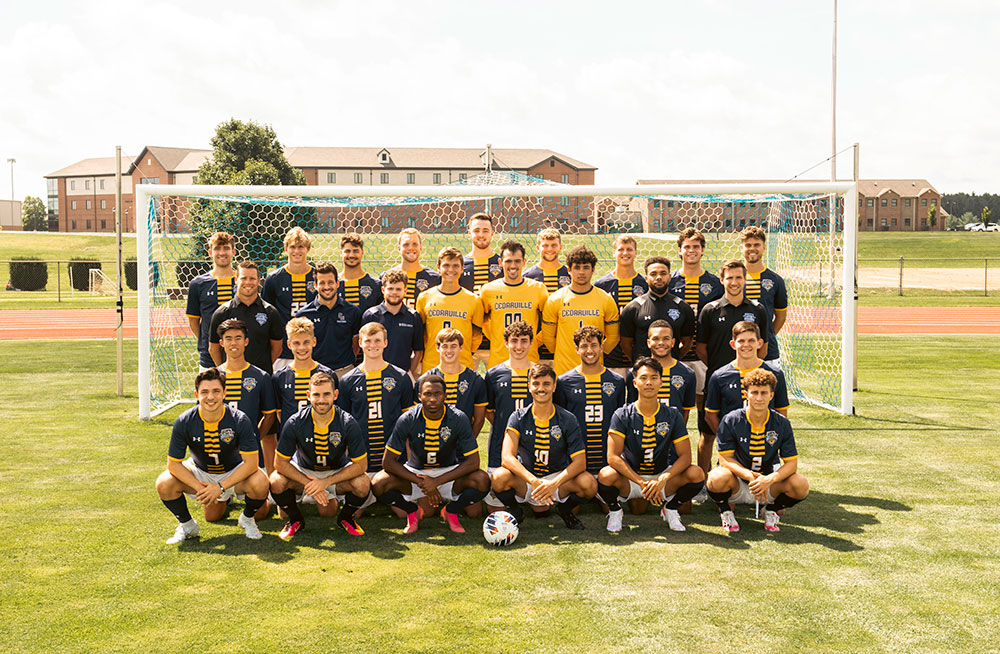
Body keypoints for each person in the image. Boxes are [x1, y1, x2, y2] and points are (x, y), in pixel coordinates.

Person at [155, 368, 270, 543]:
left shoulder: (239, 419)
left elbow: (252, 464)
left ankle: (247, 518)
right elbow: (174, 465)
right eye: (205, 392)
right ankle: (187, 526)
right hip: (202, 471)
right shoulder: (185, 420)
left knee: (261, 482)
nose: (210, 397)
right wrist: (200, 488)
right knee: (165, 483)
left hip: (233, 472)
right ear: (196, 394)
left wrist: (220, 487)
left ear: (224, 393)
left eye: (216, 391)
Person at [597, 357, 705, 532]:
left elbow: (686, 457)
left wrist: (664, 478)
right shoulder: (622, 414)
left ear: (661, 382)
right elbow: (613, 457)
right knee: (605, 475)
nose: (649, 382)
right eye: (644, 378)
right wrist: (640, 482)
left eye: (654, 378)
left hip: (661, 476)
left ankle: (670, 508)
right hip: (632, 479)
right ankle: (615, 511)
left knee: (696, 473)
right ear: (635, 382)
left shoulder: (672, 414)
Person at [373, 375, 489, 534]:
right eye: (427, 394)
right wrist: (422, 481)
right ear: (419, 396)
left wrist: (437, 481)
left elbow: (473, 462)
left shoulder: (458, 418)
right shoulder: (407, 419)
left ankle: (452, 510)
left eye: (437, 394)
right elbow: (388, 462)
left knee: (482, 480)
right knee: (379, 483)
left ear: (445, 395)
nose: (432, 398)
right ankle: (411, 510)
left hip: (448, 473)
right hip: (417, 473)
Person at [491, 363, 597, 529]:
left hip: (556, 479)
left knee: (589, 483)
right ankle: (515, 511)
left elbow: (580, 462)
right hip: (527, 479)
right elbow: (507, 457)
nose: (541, 389)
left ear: (554, 387)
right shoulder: (518, 417)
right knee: (499, 477)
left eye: (546, 384)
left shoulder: (567, 419)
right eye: (536, 383)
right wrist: (533, 481)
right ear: (529, 386)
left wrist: (553, 483)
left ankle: (565, 509)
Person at [269, 372, 370, 540]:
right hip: (304, 470)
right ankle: (295, 520)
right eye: (316, 394)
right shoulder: (296, 422)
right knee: (275, 481)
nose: (321, 400)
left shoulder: (347, 422)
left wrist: (326, 482)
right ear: (308, 396)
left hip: (335, 473)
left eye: (326, 394)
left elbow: (361, 465)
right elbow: (280, 463)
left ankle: (345, 518)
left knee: (363, 483)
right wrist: (309, 483)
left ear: (335, 395)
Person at [707, 368, 809, 533]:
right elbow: (725, 459)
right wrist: (749, 476)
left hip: (767, 481)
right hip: (738, 482)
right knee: (715, 477)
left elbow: (791, 464)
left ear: (771, 396)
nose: (759, 398)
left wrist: (769, 480)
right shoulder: (731, 419)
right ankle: (726, 511)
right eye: (754, 392)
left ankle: (771, 510)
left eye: (764, 393)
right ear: (746, 394)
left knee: (801, 484)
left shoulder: (781, 423)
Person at [696, 260, 770, 481]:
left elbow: (763, 346)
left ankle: (755, 477)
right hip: (718, 380)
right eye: (730, 278)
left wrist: (749, 367)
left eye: (739, 277)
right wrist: (723, 370)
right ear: (722, 280)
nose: (734, 282)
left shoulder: (757, 309)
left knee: (752, 428)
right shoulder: (710, 310)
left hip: (751, 380)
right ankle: (702, 481)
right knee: (708, 433)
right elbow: (701, 348)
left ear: (745, 279)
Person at [668, 228, 724, 462]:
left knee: (705, 421)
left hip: (703, 357)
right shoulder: (669, 281)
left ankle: (703, 475)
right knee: (676, 417)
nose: (691, 251)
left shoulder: (713, 283)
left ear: (702, 250)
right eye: (687, 246)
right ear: (680, 250)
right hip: (674, 359)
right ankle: (674, 467)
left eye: (696, 246)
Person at [337, 322, 416, 481]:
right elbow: (343, 425)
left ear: (385, 343)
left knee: (394, 499)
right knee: (360, 496)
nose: (373, 345)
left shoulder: (400, 377)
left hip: (394, 460)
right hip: (360, 459)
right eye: (367, 341)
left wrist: (411, 464)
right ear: (360, 343)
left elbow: (409, 425)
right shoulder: (347, 381)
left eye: (377, 340)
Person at [554, 326, 626, 478]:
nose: (589, 351)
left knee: (607, 490)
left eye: (593, 345)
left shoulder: (617, 381)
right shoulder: (564, 381)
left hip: (607, 457)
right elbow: (560, 420)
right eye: (584, 346)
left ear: (601, 347)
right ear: (577, 349)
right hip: (575, 455)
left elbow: (620, 421)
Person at [216, 319, 277, 488]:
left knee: (261, 508)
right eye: (228, 338)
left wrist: (255, 436)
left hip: (252, 451)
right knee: (213, 514)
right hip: (220, 450)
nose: (233, 343)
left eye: (238, 338)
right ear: (221, 343)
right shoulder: (213, 376)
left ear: (246, 341)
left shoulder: (261, 376)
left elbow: (270, 415)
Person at [540, 245, 619, 376]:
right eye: (577, 267)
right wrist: (565, 353)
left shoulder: (605, 299)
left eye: (586, 267)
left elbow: (613, 338)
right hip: (563, 371)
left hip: (594, 371)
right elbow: (548, 339)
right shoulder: (555, 299)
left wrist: (594, 353)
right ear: (569, 270)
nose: (581, 272)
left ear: (593, 270)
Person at [705, 321, 789, 434]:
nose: (746, 345)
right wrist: (725, 439)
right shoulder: (719, 376)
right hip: (732, 447)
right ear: (733, 344)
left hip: (766, 444)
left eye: (751, 340)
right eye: (741, 341)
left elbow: (781, 412)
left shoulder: (775, 374)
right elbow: (711, 415)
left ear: (760, 343)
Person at [478, 240, 549, 368]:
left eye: (517, 261)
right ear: (500, 263)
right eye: (508, 261)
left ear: (524, 262)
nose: (513, 265)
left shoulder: (537, 289)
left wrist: (535, 341)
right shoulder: (488, 290)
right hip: (499, 360)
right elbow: (481, 321)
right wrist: (496, 337)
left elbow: (549, 321)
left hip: (529, 359)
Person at [415, 247, 484, 372]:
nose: (451, 270)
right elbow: (421, 334)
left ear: (462, 268)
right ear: (438, 267)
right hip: (432, 365)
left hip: (462, 365)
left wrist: (462, 352)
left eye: (455, 266)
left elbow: (476, 337)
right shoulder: (425, 298)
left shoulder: (473, 300)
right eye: (446, 265)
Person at [208, 260, 283, 373]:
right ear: (236, 280)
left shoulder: (270, 312)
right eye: (243, 278)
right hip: (231, 378)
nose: (248, 282)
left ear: (258, 281)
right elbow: (214, 349)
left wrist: (259, 372)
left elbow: (277, 349)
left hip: (261, 379)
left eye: (252, 278)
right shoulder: (222, 313)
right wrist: (225, 370)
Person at [484, 321, 536, 478]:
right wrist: (507, 427)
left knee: (537, 494)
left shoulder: (540, 373)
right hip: (500, 441)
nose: (519, 346)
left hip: (534, 441)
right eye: (514, 340)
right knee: (498, 490)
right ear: (506, 343)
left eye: (524, 341)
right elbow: (490, 411)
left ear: (531, 343)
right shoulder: (493, 375)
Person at [619, 256, 695, 363]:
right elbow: (625, 344)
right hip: (643, 372)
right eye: (653, 274)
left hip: (672, 371)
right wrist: (639, 362)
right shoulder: (633, 308)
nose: (658, 277)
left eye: (663, 273)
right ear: (646, 278)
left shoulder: (683, 307)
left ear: (669, 277)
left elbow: (687, 342)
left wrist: (674, 358)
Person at [262, 227, 317, 371]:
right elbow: (268, 315)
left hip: (311, 348)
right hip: (283, 350)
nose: (296, 251)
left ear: (308, 249)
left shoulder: (317, 276)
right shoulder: (274, 279)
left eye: (301, 247)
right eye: (292, 247)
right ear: (286, 249)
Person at [295, 262, 362, 377]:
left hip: (345, 372)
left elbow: (355, 344)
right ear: (315, 285)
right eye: (322, 283)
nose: (326, 287)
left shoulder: (353, 311)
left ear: (337, 283)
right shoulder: (303, 315)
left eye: (330, 282)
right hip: (315, 373)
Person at [594, 235, 648, 376]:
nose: (625, 253)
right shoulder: (602, 285)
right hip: (609, 355)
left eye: (629, 249)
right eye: (621, 249)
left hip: (638, 355)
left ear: (636, 253)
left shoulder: (644, 284)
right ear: (614, 253)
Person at [419, 328, 487, 437]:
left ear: (460, 347)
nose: (449, 350)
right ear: (437, 348)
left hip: (462, 445)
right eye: (445, 346)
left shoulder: (475, 379)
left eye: (453, 346)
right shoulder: (425, 380)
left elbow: (479, 419)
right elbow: (417, 418)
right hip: (431, 443)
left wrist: (468, 442)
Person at [271, 317, 337, 429]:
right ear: (289, 344)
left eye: (306, 342)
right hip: (291, 441)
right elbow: (280, 413)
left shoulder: (328, 375)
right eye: (296, 343)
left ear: (314, 341)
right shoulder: (279, 377)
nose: (302, 348)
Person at [624, 320, 696, 422]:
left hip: (673, 435)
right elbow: (632, 409)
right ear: (648, 343)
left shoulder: (687, 373)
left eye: (666, 339)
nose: (661, 343)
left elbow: (685, 411)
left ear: (673, 342)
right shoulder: (635, 373)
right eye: (656, 339)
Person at [186, 232, 237, 371]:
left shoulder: (243, 281)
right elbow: (193, 322)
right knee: (210, 392)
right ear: (210, 252)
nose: (222, 253)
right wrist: (209, 340)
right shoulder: (198, 283)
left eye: (226, 248)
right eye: (217, 249)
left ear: (233, 252)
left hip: (239, 352)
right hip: (208, 355)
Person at [361, 269, 424, 379]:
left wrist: (408, 374)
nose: (394, 293)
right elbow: (362, 345)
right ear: (383, 290)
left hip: (402, 374)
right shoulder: (371, 315)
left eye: (398, 289)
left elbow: (418, 350)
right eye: (390, 289)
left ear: (405, 291)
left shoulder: (413, 317)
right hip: (373, 374)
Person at [740, 226, 789, 368]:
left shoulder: (775, 280)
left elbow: (781, 317)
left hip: (769, 352)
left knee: (767, 389)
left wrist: (766, 336)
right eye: (748, 245)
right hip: (737, 350)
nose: (752, 249)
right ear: (742, 248)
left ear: (764, 247)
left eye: (756, 245)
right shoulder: (734, 278)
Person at [460, 212, 503, 370]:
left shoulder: (503, 264)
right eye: (476, 230)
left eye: (485, 230)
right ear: (469, 232)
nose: (481, 235)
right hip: (467, 344)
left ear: (492, 233)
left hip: (497, 344)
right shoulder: (459, 265)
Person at [523, 227, 569, 361]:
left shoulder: (570, 273)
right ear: (538, 247)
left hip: (564, 343)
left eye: (554, 245)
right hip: (535, 346)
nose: (550, 249)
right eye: (545, 245)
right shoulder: (528, 276)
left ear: (560, 247)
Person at [382, 228, 441, 310]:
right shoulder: (386, 276)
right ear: (399, 248)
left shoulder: (434, 279)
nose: (411, 248)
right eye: (406, 244)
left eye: (415, 244)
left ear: (420, 247)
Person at [338, 232, 383, 315]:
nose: (351, 255)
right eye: (347, 251)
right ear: (341, 253)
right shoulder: (333, 284)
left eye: (356, 251)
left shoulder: (375, 285)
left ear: (362, 253)